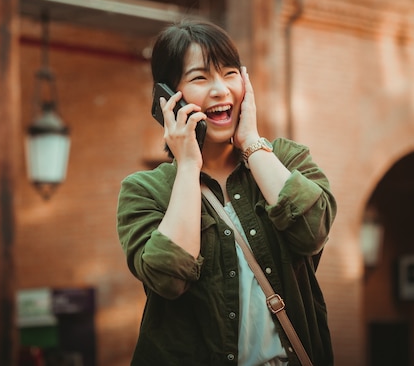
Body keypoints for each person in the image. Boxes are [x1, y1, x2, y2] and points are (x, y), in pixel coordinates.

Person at [117, 20, 336, 366]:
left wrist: (251, 143)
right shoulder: (144, 191)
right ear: (167, 98)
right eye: (200, 78)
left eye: (230, 73)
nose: (221, 90)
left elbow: (313, 230)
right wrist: (189, 166)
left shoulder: (287, 159)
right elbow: (168, 277)